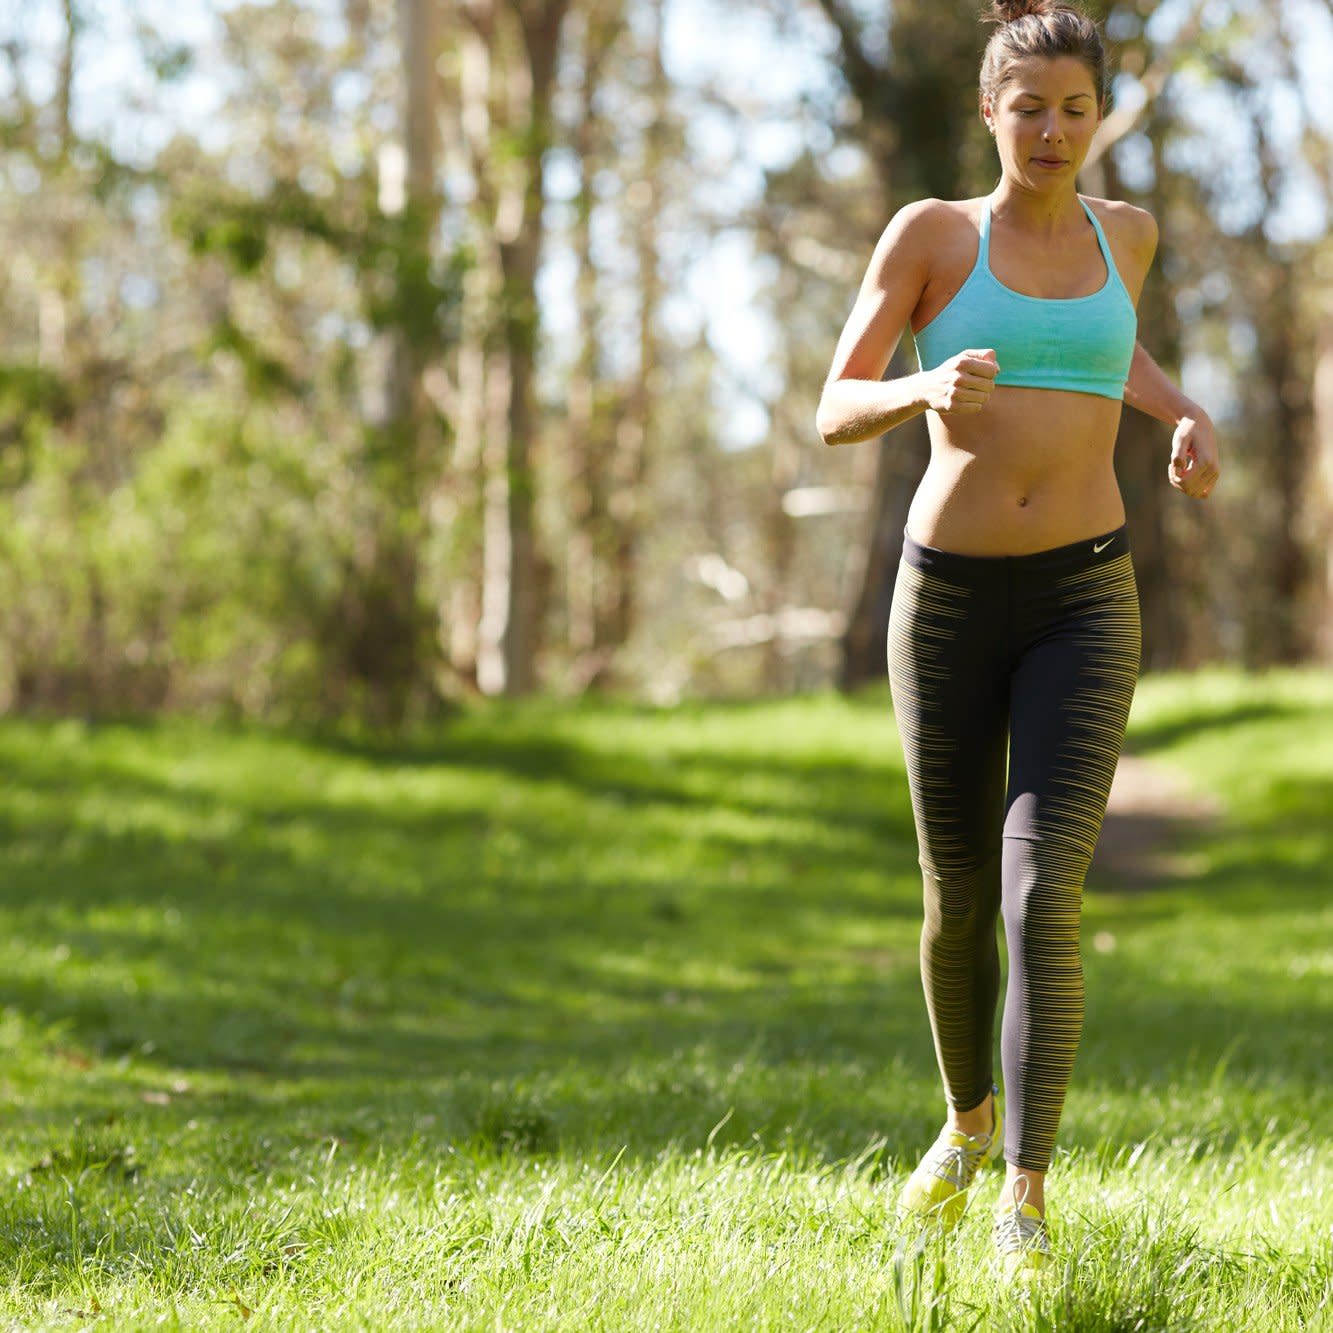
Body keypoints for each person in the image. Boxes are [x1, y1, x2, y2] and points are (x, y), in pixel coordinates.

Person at [815, 0, 1221, 1280]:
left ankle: (1026, 1200)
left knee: (1044, 892)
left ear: (1101, 118)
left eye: (1075, 110)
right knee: (954, 901)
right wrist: (919, 387)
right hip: (943, 602)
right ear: (989, 111)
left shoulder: (1129, 236)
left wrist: (1181, 408)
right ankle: (963, 1123)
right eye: (1028, 107)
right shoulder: (931, 235)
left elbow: (1104, 352)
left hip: (1085, 596)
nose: (1051, 131)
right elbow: (833, 404)